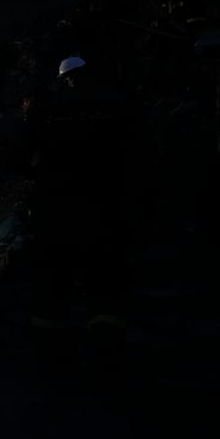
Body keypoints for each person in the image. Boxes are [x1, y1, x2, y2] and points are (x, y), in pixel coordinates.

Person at [23, 55, 132, 335]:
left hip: (57, 203)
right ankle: (106, 337)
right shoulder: (113, 103)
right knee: (102, 271)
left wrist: (38, 183)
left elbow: (21, 158)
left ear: (66, 80)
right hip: (101, 198)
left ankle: (55, 346)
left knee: (55, 275)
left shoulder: (47, 112)